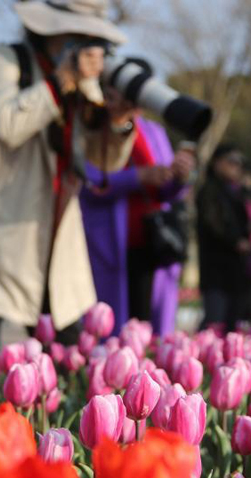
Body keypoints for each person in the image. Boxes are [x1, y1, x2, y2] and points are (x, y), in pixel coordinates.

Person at [0, 0, 126, 348]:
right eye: (75, 34)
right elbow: (5, 124)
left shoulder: (85, 82)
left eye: (89, 37)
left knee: (66, 361)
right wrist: (60, 81)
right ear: (47, 29)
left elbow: (106, 162)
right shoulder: (3, 61)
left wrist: (118, 121)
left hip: (55, 236)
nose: (84, 45)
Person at [79, 75, 194, 336]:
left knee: (147, 327)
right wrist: (137, 176)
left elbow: (167, 193)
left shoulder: (154, 132)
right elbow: (90, 183)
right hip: (109, 243)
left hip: (152, 241)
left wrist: (179, 177)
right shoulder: (95, 130)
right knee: (113, 328)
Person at [196, 144, 251, 331]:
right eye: (231, 161)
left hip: (239, 271)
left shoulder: (241, 193)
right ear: (216, 162)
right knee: (216, 323)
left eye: (240, 163)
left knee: (238, 324)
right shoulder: (209, 191)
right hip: (216, 271)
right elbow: (212, 223)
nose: (236, 166)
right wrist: (236, 241)